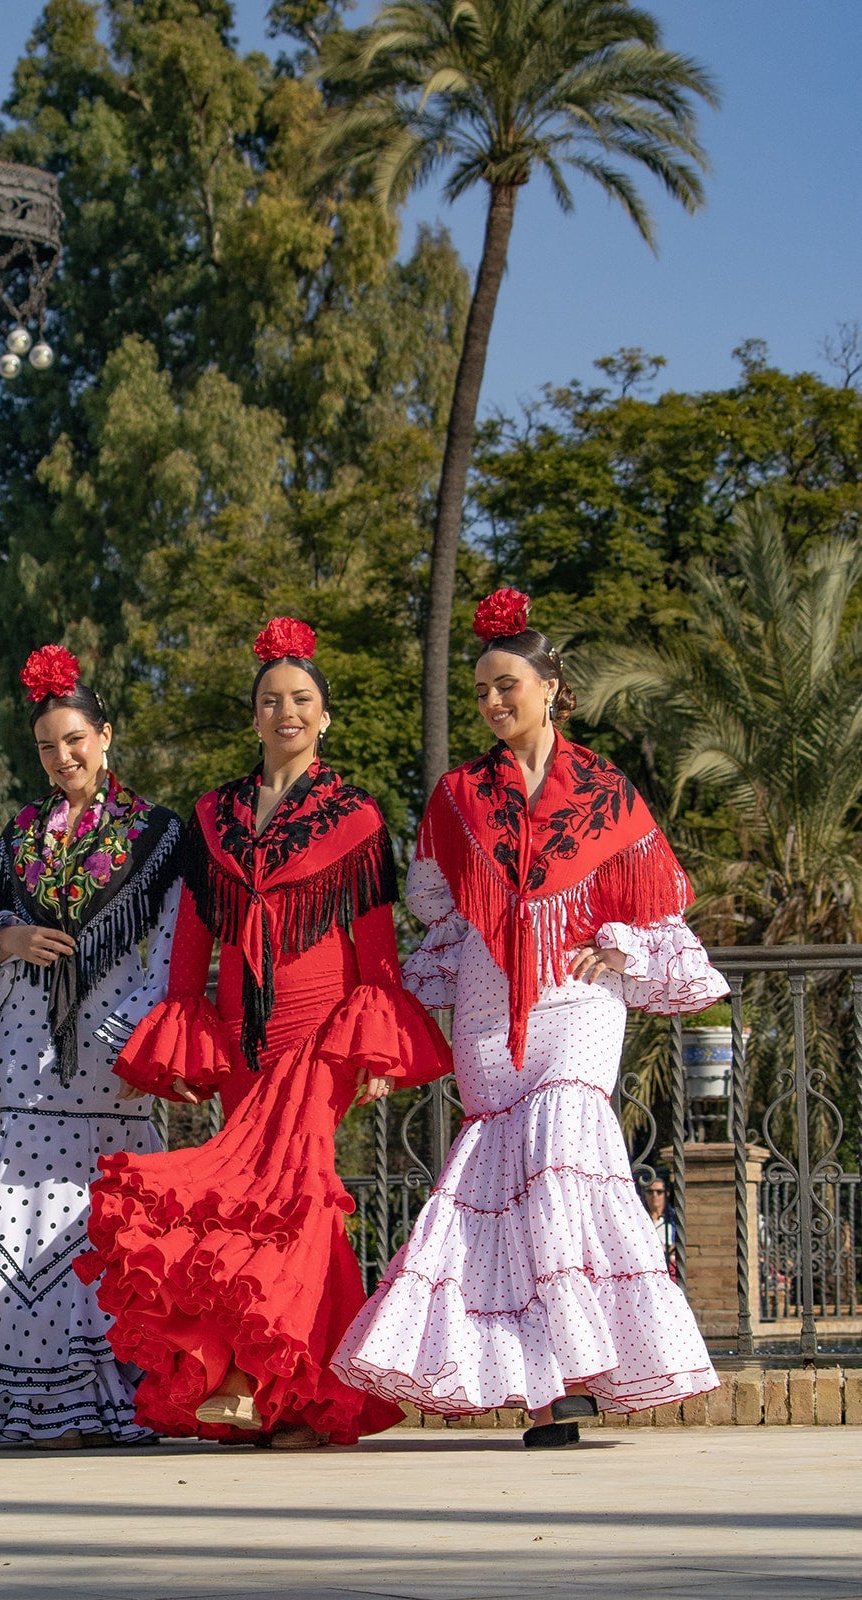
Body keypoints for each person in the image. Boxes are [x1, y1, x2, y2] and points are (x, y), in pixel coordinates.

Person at [332, 588, 725, 1449]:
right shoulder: (460, 794)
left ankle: (583, 1368)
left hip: (580, 999)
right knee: (503, 1180)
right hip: (488, 997)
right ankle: (547, 1387)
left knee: (562, 1152)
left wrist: (620, 948)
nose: (493, 702)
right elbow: (435, 897)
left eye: (507, 684)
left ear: (552, 687)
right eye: (481, 692)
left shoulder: (607, 791)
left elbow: (658, 901)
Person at [76, 618, 452, 1450]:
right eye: (272, 700)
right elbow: (192, 942)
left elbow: (375, 945)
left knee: (300, 1194)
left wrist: (380, 1044)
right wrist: (180, 1030)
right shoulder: (214, 816)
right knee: (251, 1204)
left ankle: (252, 1380)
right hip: (245, 1036)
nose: (287, 711)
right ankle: (304, 1399)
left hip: (322, 1032)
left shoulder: (355, 815)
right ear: (254, 717)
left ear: (325, 717)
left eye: (302, 699)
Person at [0, 645, 183, 1447]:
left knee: (110, 1221)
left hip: (113, 1053)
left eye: (75, 739)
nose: (62, 757)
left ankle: (116, 1399)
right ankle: (38, 1405)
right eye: (46, 746)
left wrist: (137, 1023)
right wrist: (7, 938)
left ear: (105, 735)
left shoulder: (156, 833)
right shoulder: (19, 836)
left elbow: (176, 943)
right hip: (32, 1053)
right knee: (30, 1214)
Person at [641, 1175, 679, 1279]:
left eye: (659, 1192)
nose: (654, 1195)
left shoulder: (674, 1218)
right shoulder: (640, 1219)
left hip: (670, 1265)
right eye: (650, 1192)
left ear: (666, 1194)